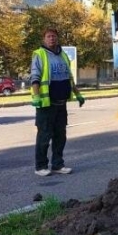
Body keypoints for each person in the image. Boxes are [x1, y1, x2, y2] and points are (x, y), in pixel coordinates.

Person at [30, 28, 85, 177]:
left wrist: (78, 94)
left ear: (58, 38)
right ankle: (40, 166)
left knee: (60, 136)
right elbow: (35, 77)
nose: (52, 39)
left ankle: (57, 164)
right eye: (48, 36)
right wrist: (36, 97)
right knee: (44, 136)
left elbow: (70, 78)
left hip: (61, 104)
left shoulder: (63, 55)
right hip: (46, 104)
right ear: (44, 39)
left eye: (54, 36)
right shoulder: (39, 55)